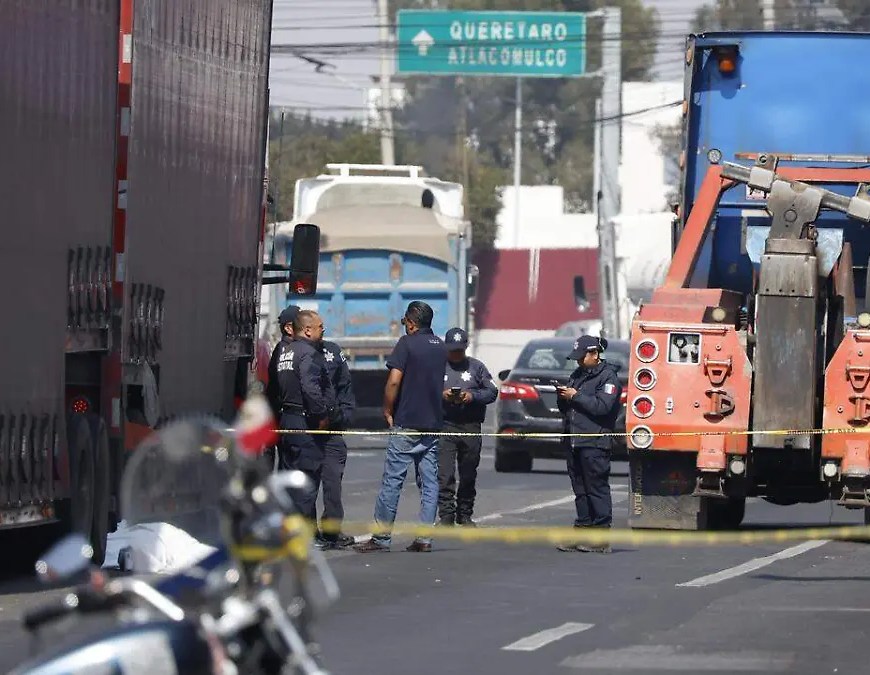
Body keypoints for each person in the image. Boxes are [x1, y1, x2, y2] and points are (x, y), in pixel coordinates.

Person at [354, 301, 447, 553]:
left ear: (412, 322)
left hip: (407, 421)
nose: (405, 324)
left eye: (405, 320)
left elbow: (394, 382)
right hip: (432, 423)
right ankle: (424, 538)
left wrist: (386, 409)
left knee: (393, 480)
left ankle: (382, 537)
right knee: (429, 482)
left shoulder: (407, 344)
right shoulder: (440, 346)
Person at [556, 335, 622, 554]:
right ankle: (583, 529)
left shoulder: (608, 378)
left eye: (581, 357)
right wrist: (563, 396)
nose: (578, 362)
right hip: (574, 440)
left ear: (594, 354)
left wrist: (576, 396)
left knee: (596, 488)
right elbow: (569, 407)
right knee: (580, 489)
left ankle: (601, 535)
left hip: (594, 442)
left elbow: (602, 407)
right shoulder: (577, 375)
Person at [271, 308, 335, 522]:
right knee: (306, 482)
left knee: (289, 481)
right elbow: (310, 388)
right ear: (307, 330)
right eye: (320, 327)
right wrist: (322, 415)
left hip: (288, 420)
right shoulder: (308, 353)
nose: (323, 330)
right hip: (304, 422)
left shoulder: (286, 351)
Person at [437, 327, 498, 526]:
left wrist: (471, 396)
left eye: (459, 350)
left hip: (470, 426)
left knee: (468, 474)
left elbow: (492, 392)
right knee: (445, 475)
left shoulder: (476, 367)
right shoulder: (437, 367)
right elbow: (424, 390)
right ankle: (446, 515)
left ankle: (465, 514)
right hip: (445, 426)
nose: (456, 354)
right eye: (452, 350)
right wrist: (442, 395)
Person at [314, 336, 357, 550]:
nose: (322, 332)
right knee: (305, 486)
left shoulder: (332, 351)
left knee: (332, 483)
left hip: (332, 429)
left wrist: (343, 416)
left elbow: (345, 386)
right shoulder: (293, 352)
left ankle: (332, 531)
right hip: (306, 428)